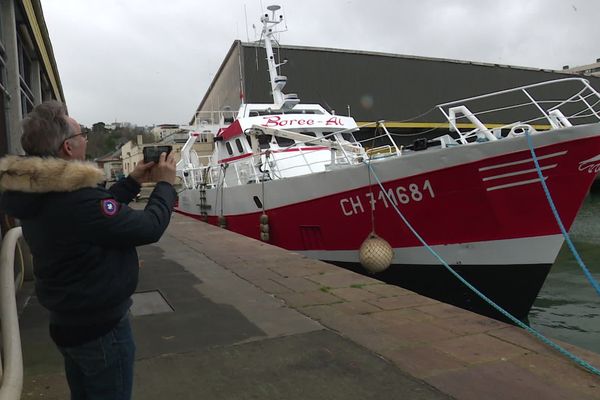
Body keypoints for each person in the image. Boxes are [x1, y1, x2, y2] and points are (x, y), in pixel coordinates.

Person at [0, 100, 177, 400]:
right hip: (102, 331)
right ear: (68, 147)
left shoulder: (39, 190)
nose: (85, 141)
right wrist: (165, 186)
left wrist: (132, 181)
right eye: (81, 136)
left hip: (69, 323)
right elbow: (148, 227)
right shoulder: (77, 201)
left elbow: (98, 213)